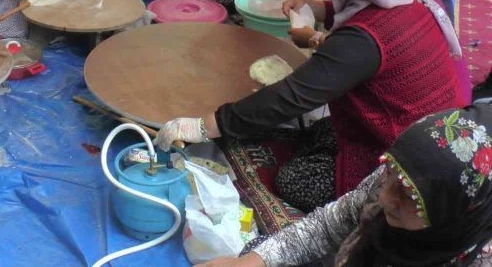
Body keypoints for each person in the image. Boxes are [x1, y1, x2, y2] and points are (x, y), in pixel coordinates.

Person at [157, 0, 466, 212]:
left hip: (407, 163)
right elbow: (362, 9)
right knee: (321, 130)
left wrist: (207, 125)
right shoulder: (410, 1)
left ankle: (370, 198)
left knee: (293, 180)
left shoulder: (363, 39)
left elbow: (291, 97)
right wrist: (318, 7)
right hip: (434, 137)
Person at [193, 104, 492, 267]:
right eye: (389, 174)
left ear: (455, 212)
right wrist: (252, 262)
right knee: (258, 252)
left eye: (410, 196)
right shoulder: (395, 178)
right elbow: (325, 227)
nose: (386, 198)